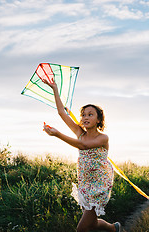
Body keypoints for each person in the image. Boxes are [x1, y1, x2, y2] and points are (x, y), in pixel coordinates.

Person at [43, 78, 121, 232]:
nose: (85, 117)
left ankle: (113, 228)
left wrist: (58, 134)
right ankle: (114, 228)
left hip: (99, 183)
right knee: (91, 223)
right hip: (85, 182)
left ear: (99, 120)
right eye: (83, 115)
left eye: (90, 114)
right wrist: (55, 90)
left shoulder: (103, 138)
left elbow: (83, 146)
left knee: (82, 229)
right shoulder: (80, 133)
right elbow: (61, 112)